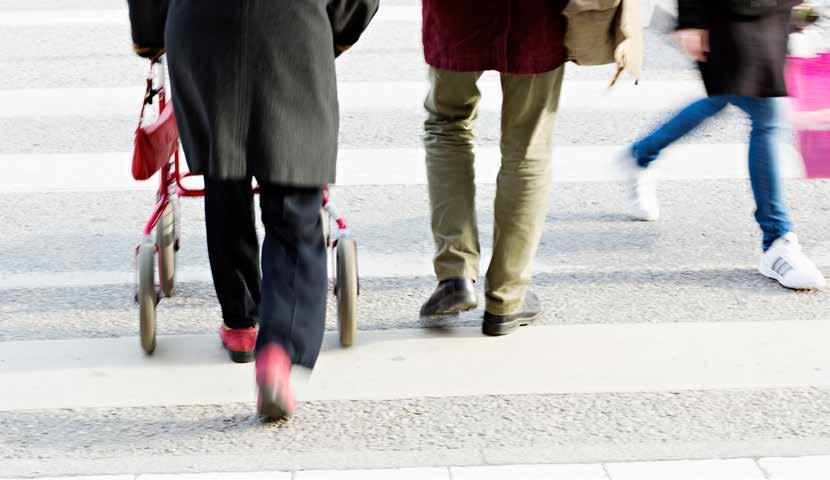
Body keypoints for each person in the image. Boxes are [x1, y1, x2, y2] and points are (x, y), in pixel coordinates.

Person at [127, 0, 378, 420]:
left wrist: (150, 34)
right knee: (295, 203)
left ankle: (242, 321)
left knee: (224, 174)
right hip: (293, 28)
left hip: (202, 31)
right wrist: (339, 28)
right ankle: (280, 351)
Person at [620, 0, 826, 290]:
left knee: (729, 96)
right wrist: (690, 16)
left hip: (774, 12)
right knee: (765, 111)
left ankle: (642, 153)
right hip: (728, 12)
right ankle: (777, 240)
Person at [417, 1, 572, 336]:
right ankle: (507, 297)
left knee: (447, 124)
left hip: (457, 12)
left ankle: (455, 274)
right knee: (528, 143)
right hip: (536, 14)